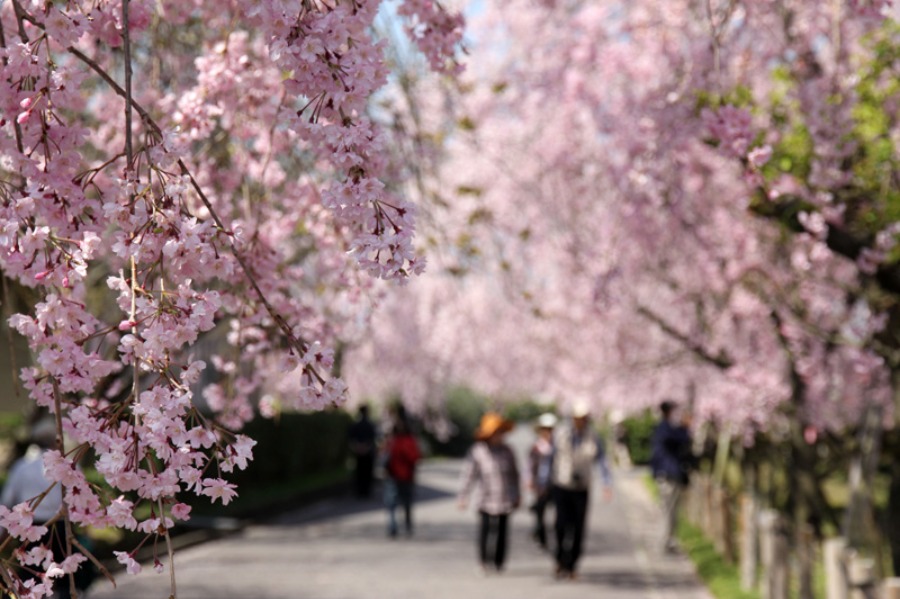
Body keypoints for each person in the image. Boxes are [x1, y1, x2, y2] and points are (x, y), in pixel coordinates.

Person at [1, 418, 95, 599]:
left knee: (32, 577)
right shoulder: (68, 464)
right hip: (61, 526)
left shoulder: (21, 467)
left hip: (30, 529)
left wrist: (3, 532)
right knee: (66, 580)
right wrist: (86, 527)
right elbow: (81, 499)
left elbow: (7, 501)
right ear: (56, 441)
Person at [550, 401, 612, 580]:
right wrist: (543, 482)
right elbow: (551, 459)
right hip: (562, 485)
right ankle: (560, 559)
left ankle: (572, 565)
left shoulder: (593, 436)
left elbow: (602, 461)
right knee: (560, 525)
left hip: (581, 487)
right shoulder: (561, 434)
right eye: (577, 418)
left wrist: (606, 484)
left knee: (578, 528)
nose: (580, 422)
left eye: (583, 418)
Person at [458, 412, 521, 575]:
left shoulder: (508, 451)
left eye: (500, 432)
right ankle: (484, 561)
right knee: (485, 531)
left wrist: (517, 495)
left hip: (504, 497)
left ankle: (499, 562)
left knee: (502, 531)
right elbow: (469, 475)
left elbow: (515, 474)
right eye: (495, 432)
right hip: (485, 498)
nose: (498, 436)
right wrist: (463, 496)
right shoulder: (478, 451)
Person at [650, 399, 693, 553]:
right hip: (668, 475)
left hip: (668, 474)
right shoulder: (665, 428)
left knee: (670, 508)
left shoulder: (663, 427)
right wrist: (685, 427)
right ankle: (666, 541)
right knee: (669, 509)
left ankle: (668, 539)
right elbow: (681, 438)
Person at [383, 415, 421, 537]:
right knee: (406, 503)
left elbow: (384, 457)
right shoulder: (410, 441)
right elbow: (416, 457)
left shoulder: (391, 441)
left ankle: (393, 527)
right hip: (405, 476)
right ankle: (407, 526)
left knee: (392, 503)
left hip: (394, 476)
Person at [528, 412, 556, 549]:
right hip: (540, 484)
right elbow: (530, 465)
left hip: (555, 484)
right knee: (540, 512)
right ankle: (541, 536)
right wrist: (530, 480)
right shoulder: (536, 447)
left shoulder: (557, 446)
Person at [348, 404, 378, 498]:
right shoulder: (370, 424)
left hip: (358, 452)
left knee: (359, 473)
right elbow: (373, 438)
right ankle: (366, 491)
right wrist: (366, 447)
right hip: (368, 452)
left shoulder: (356, 424)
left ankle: (360, 491)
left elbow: (351, 437)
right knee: (367, 473)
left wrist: (357, 446)